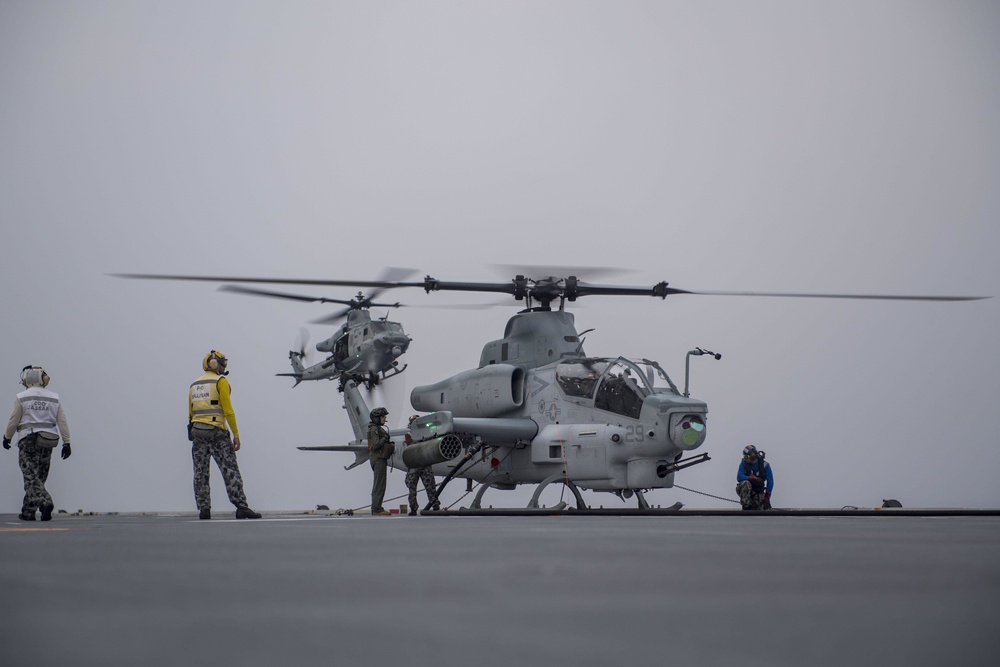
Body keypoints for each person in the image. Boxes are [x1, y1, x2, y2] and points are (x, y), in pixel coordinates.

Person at [188, 350, 261, 520]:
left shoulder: (194, 385)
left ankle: (204, 509)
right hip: (217, 433)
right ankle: (241, 506)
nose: (223, 366)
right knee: (230, 470)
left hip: (197, 433)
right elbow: (228, 411)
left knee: (200, 472)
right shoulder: (220, 382)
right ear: (214, 364)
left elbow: (190, 412)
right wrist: (235, 434)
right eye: (222, 363)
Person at [3, 366, 72, 521]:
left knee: (30, 476)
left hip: (28, 440)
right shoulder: (54, 398)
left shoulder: (22, 397)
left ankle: (45, 502)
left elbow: (13, 419)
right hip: (48, 441)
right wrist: (66, 443)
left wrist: (7, 437)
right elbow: (62, 422)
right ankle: (28, 511)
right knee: (39, 477)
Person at [403, 414, 439, 515]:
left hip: (424, 463)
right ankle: (413, 508)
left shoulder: (426, 433)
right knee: (412, 488)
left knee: (430, 486)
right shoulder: (409, 434)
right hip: (415, 464)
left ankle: (435, 505)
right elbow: (409, 444)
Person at [367, 406, 395, 516]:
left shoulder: (377, 429)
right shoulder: (374, 429)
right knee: (379, 484)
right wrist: (385, 438)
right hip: (378, 458)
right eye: (383, 416)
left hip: (380, 458)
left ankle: (377, 507)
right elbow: (375, 445)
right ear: (377, 418)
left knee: (380, 484)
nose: (385, 418)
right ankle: (377, 509)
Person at [736, 444, 773, 510]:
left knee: (764, 509)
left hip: (758, 492)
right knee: (745, 483)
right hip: (745, 491)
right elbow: (739, 477)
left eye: (746, 456)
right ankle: (746, 506)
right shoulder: (743, 464)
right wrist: (751, 478)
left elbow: (770, 482)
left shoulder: (765, 465)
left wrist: (767, 497)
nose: (745, 458)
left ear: (752, 457)